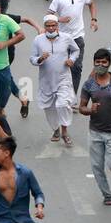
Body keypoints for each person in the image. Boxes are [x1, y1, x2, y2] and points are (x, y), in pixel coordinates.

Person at [79, 47, 111, 206]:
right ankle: (107, 195)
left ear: (109, 64)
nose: (100, 64)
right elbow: (81, 107)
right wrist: (90, 109)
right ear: (93, 63)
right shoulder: (88, 85)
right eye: (97, 62)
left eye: (103, 62)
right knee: (96, 166)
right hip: (95, 132)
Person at [30, 14, 79, 146]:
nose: (51, 28)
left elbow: (76, 50)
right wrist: (40, 59)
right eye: (48, 26)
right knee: (49, 107)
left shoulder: (66, 38)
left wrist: (71, 60)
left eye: (53, 25)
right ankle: (55, 130)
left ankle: (64, 132)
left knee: (62, 104)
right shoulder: (38, 40)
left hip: (63, 78)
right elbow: (32, 58)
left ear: (57, 26)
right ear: (44, 26)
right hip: (46, 80)